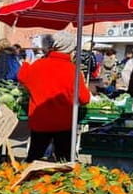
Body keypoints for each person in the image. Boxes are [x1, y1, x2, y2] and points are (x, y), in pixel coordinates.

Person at [18, 30, 91, 162]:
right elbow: (84, 99)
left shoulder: (38, 65)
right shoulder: (73, 70)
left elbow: (22, 77)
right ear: (70, 49)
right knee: (63, 163)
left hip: (39, 121)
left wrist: (25, 64)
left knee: (34, 159)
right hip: (64, 124)